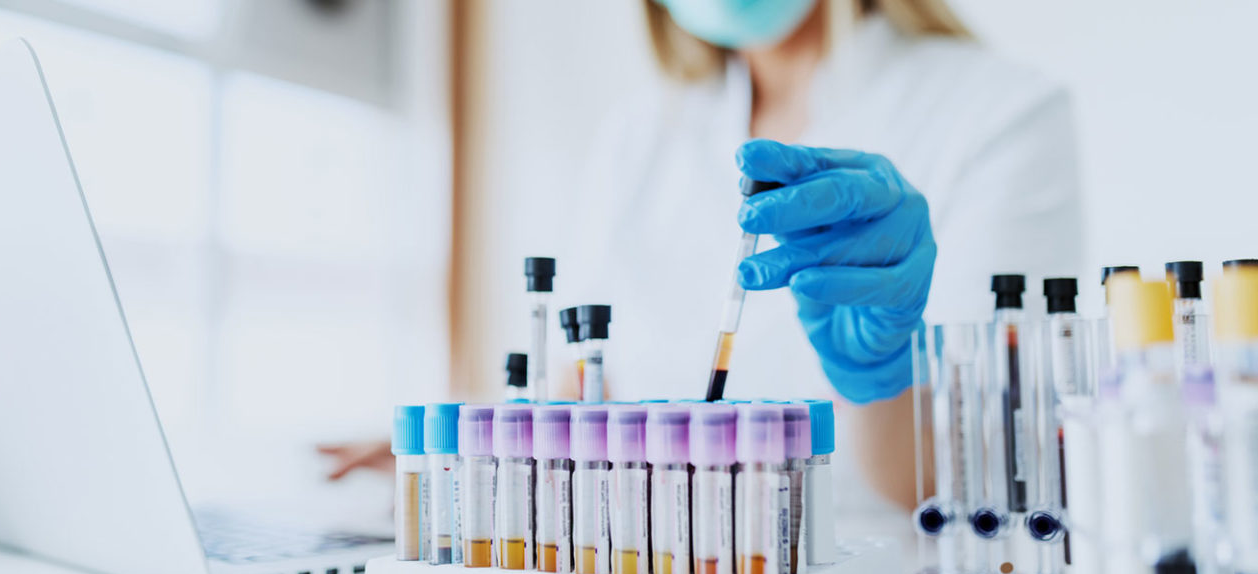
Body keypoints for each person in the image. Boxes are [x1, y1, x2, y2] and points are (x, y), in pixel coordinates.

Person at [323, 0, 1083, 510]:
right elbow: (581, 390)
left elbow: (967, 480)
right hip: (639, 573)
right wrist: (462, 453)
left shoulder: (1001, 114)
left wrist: (880, 375)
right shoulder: (638, 137)